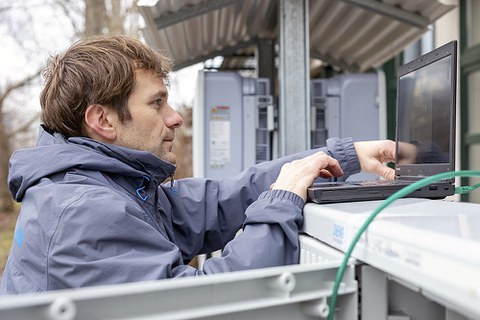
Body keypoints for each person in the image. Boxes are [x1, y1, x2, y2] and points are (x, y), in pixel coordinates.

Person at [0, 35, 396, 295]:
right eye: (157, 103)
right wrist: (281, 200)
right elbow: (205, 302)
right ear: (102, 121)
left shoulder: (111, 185)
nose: (176, 118)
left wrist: (340, 157)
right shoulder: (82, 211)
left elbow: (218, 201)